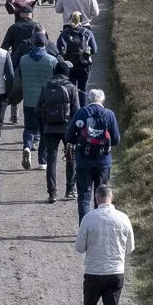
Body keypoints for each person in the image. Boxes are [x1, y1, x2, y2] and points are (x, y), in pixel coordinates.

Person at [72, 183, 134, 305]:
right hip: (116, 273)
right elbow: (130, 248)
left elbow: (79, 247)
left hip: (94, 273)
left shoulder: (89, 218)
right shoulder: (123, 218)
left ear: (97, 198)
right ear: (111, 197)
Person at [67, 88, 120, 221]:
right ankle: (99, 226)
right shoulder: (109, 114)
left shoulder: (81, 113)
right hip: (103, 162)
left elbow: (69, 137)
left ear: (89, 99)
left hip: (83, 161)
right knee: (102, 196)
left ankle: (84, 228)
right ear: (103, 99)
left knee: (84, 196)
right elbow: (116, 139)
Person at [37, 61, 81, 201]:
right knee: (70, 158)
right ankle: (69, 190)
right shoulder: (71, 87)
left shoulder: (46, 86)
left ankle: (52, 193)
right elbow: (77, 111)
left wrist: (45, 122)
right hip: (68, 130)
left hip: (50, 128)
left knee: (51, 160)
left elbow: (37, 108)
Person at [16, 39, 59, 170]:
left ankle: (27, 147)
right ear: (45, 44)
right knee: (45, 130)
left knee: (29, 128)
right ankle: (42, 160)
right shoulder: (52, 60)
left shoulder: (23, 59)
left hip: (29, 100)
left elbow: (20, 76)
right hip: (46, 101)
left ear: (33, 44)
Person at [57, 12, 99, 92]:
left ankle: (73, 104)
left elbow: (59, 50)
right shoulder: (87, 33)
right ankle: (82, 104)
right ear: (81, 19)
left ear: (70, 19)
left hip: (69, 66)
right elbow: (94, 50)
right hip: (84, 66)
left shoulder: (64, 34)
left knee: (71, 90)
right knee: (83, 90)